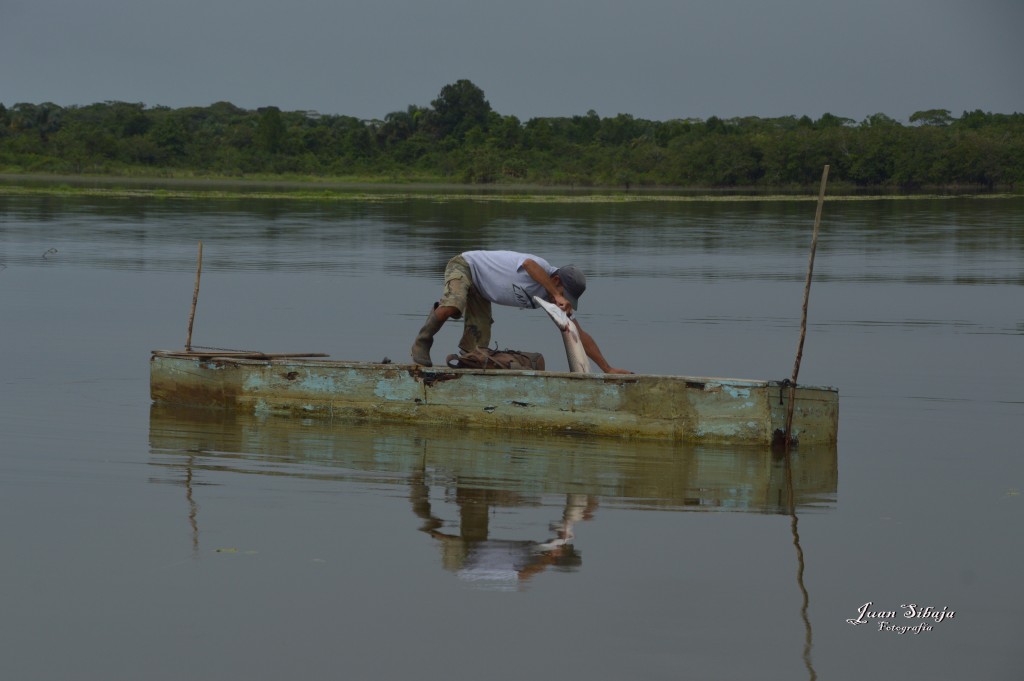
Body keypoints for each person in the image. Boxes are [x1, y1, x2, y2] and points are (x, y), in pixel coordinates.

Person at [410, 249, 630, 374]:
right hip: (466, 266)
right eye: (563, 293)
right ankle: (423, 341)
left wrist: (606, 367)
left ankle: (466, 371)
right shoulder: (540, 268)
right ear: (555, 281)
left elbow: (577, 334)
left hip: (482, 291)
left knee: (479, 344)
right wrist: (557, 293)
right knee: (453, 306)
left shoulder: (552, 300)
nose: (562, 300)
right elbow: (528, 264)